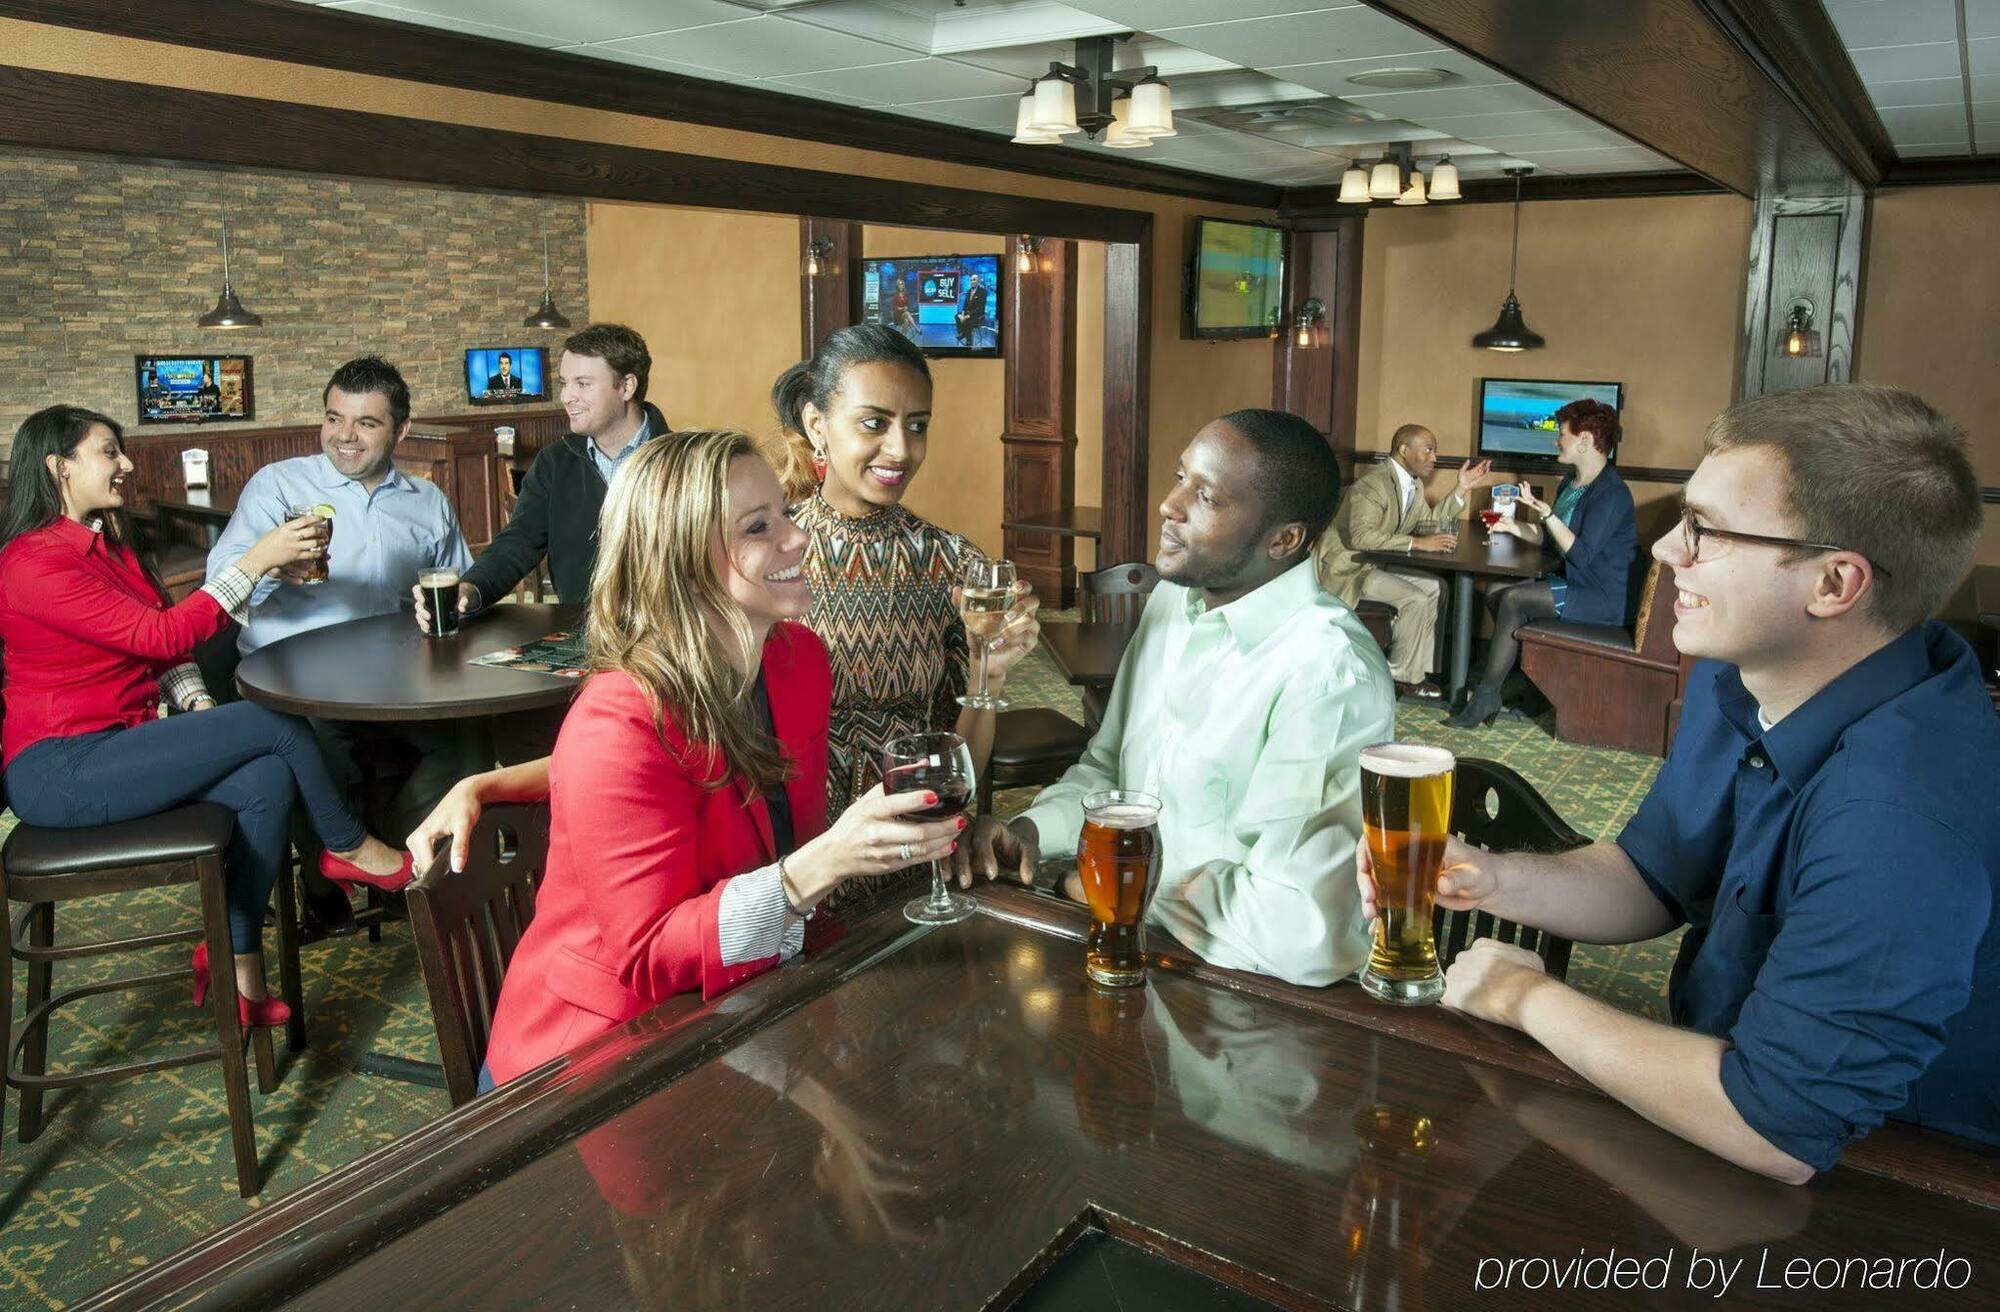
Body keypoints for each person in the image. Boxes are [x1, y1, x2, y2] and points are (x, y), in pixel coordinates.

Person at [1362, 384, 1997, 1181]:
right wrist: (1487, 878)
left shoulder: (1900, 815)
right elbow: (1653, 877)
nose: (1666, 551)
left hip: (1904, 1179)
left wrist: (1529, 998)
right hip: (1709, 1085)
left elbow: (1780, 1129)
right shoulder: (1742, 677)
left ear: (1834, 585)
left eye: (1706, 530)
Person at [426, 430, 970, 1090]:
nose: (797, 539)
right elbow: (652, 955)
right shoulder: (617, 719)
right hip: (598, 1063)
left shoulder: (797, 662)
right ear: (683, 562)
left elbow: (712, 794)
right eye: (758, 527)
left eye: (786, 514)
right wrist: (827, 861)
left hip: (734, 1018)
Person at [0, 406, 413, 1027]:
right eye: (109, 452)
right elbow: (162, 634)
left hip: (123, 745)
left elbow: (164, 656)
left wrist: (195, 703)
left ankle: (234, 965)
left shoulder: (115, 551)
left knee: (267, 777)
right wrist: (257, 559)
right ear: (59, 466)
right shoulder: (32, 563)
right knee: (274, 723)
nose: (127, 465)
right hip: (60, 768)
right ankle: (349, 844)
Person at [955, 408, 1395, 987]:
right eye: (1179, 475)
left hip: (1244, 1001)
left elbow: (1305, 931)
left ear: (1285, 539)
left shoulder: (1329, 675)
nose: (1169, 504)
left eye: (1206, 496)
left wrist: (1116, 883)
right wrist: (1035, 831)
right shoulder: (1172, 603)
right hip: (1126, 952)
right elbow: (1111, 773)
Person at [206, 356, 482, 929]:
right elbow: (221, 575)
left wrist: (460, 600)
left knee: (468, 743)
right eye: (334, 419)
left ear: (400, 431)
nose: (344, 437)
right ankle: (325, 877)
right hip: (294, 679)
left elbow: (459, 580)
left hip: (398, 677)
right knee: (325, 751)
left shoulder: (426, 501)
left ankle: (396, 859)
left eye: (366, 423)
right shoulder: (280, 485)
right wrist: (268, 565)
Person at [771, 324, 1040, 905]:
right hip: (794, 869)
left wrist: (985, 674)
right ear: (818, 426)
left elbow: (963, 759)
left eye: (916, 426)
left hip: (918, 870)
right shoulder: (771, 554)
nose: (900, 449)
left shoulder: (955, 564)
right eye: (874, 423)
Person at [422, 323, 667, 627]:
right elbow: (518, 541)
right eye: (565, 383)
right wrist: (472, 587)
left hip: (671, 642)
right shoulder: (554, 463)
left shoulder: (687, 463)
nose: (567, 397)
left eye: (583, 383)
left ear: (627, 386)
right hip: (582, 638)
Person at [1444, 397, 1635, 728]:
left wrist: (1546, 512)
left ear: (1586, 440)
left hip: (1602, 595)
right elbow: (1550, 538)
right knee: (1496, 590)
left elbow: (1581, 554)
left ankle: (1488, 695)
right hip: (1575, 582)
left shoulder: (1612, 493)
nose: (1556, 439)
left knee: (1515, 599)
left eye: (1562, 433)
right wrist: (1513, 526)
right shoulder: (1571, 482)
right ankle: (1533, 685)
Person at [1314, 424, 1491, 700]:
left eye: (1435, 451)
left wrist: (1461, 488)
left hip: (1376, 563)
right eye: (1428, 450)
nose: (1435, 458)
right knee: (1416, 599)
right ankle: (1397, 677)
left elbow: (1427, 523)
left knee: (1437, 587)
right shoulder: (1372, 485)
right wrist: (1419, 543)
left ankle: (1419, 672)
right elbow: (1361, 537)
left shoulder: (1413, 483)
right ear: (1404, 450)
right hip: (1351, 567)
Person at [954, 273, 989, 348]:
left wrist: (966, 317)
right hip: (967, 313)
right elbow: (965, 305)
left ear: (978, 281)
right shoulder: (968, 291)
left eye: (974, 280)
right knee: (957, 316)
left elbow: (980, 308)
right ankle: (962, 333)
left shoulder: (983, 292)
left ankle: (968, 340)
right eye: (971, 280)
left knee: (968, 320)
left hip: (978, 315)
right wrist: (962, 315)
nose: (972, 281)